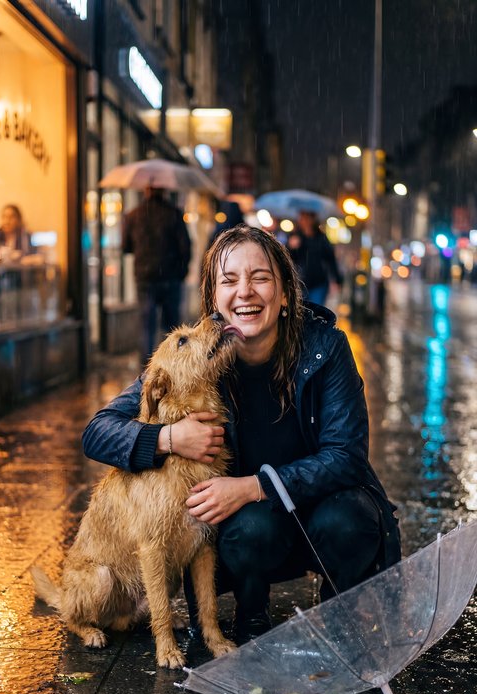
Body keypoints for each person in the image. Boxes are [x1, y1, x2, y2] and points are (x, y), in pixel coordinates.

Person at [82, 225, 401, 644]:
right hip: (252, 531)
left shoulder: (327, 347)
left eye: (261, 278)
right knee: (249, 528)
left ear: (285, 292)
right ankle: (251, 612)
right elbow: (98, 432)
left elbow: (346, 456)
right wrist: (168, 439)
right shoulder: (197, 359)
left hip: (320, 513)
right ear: (214, 297)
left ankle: (337, 605)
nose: (245, 292)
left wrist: (254, 486)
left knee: (349, 520)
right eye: (229, 280)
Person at [122, 186, 191, 363]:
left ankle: (146, 373)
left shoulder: (133, 215)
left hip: (144, 278)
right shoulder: (174, 214)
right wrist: (181, 272)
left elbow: (125, 247)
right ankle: (173, 365)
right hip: (170, 278)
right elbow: (186, 247)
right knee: (172, 329)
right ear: (164, 191)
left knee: (146, 327)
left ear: (145, 191)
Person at [287, 210, 343, 305]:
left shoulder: (321, 238)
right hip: (300, 282)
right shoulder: (295, 237)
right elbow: (289, 259)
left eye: (306, 218)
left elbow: (331, 259)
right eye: (301, 218)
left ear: (313, 219)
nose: (303, 221)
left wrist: (337, 279)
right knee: (301, 312)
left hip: (319, 282)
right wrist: (291, 247)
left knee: (316, 310)